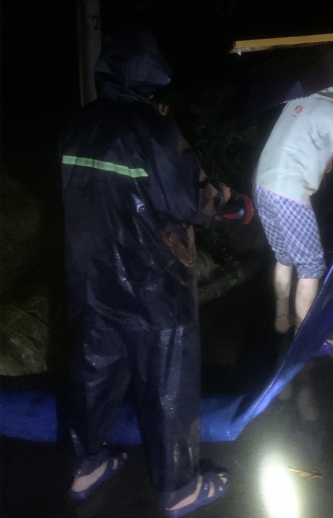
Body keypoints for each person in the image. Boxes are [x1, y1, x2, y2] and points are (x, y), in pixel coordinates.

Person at [61, 30, 251, 516]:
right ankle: (179, 487)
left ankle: (86, 465)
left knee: (95, 374)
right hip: (154, 283)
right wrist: (233, 202)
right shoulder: (154, 130)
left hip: (94, 278)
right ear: (151, 76)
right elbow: (191, 200)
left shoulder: (80, 123)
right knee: (169, 385)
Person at [254, 78, 333, 354]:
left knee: (284, 257)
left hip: (263, 186)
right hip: (289, 193)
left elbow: (300, 142)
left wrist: (322, 160)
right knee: (310, 267)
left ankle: (282, 319)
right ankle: (305, 340)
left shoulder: (302, 98)